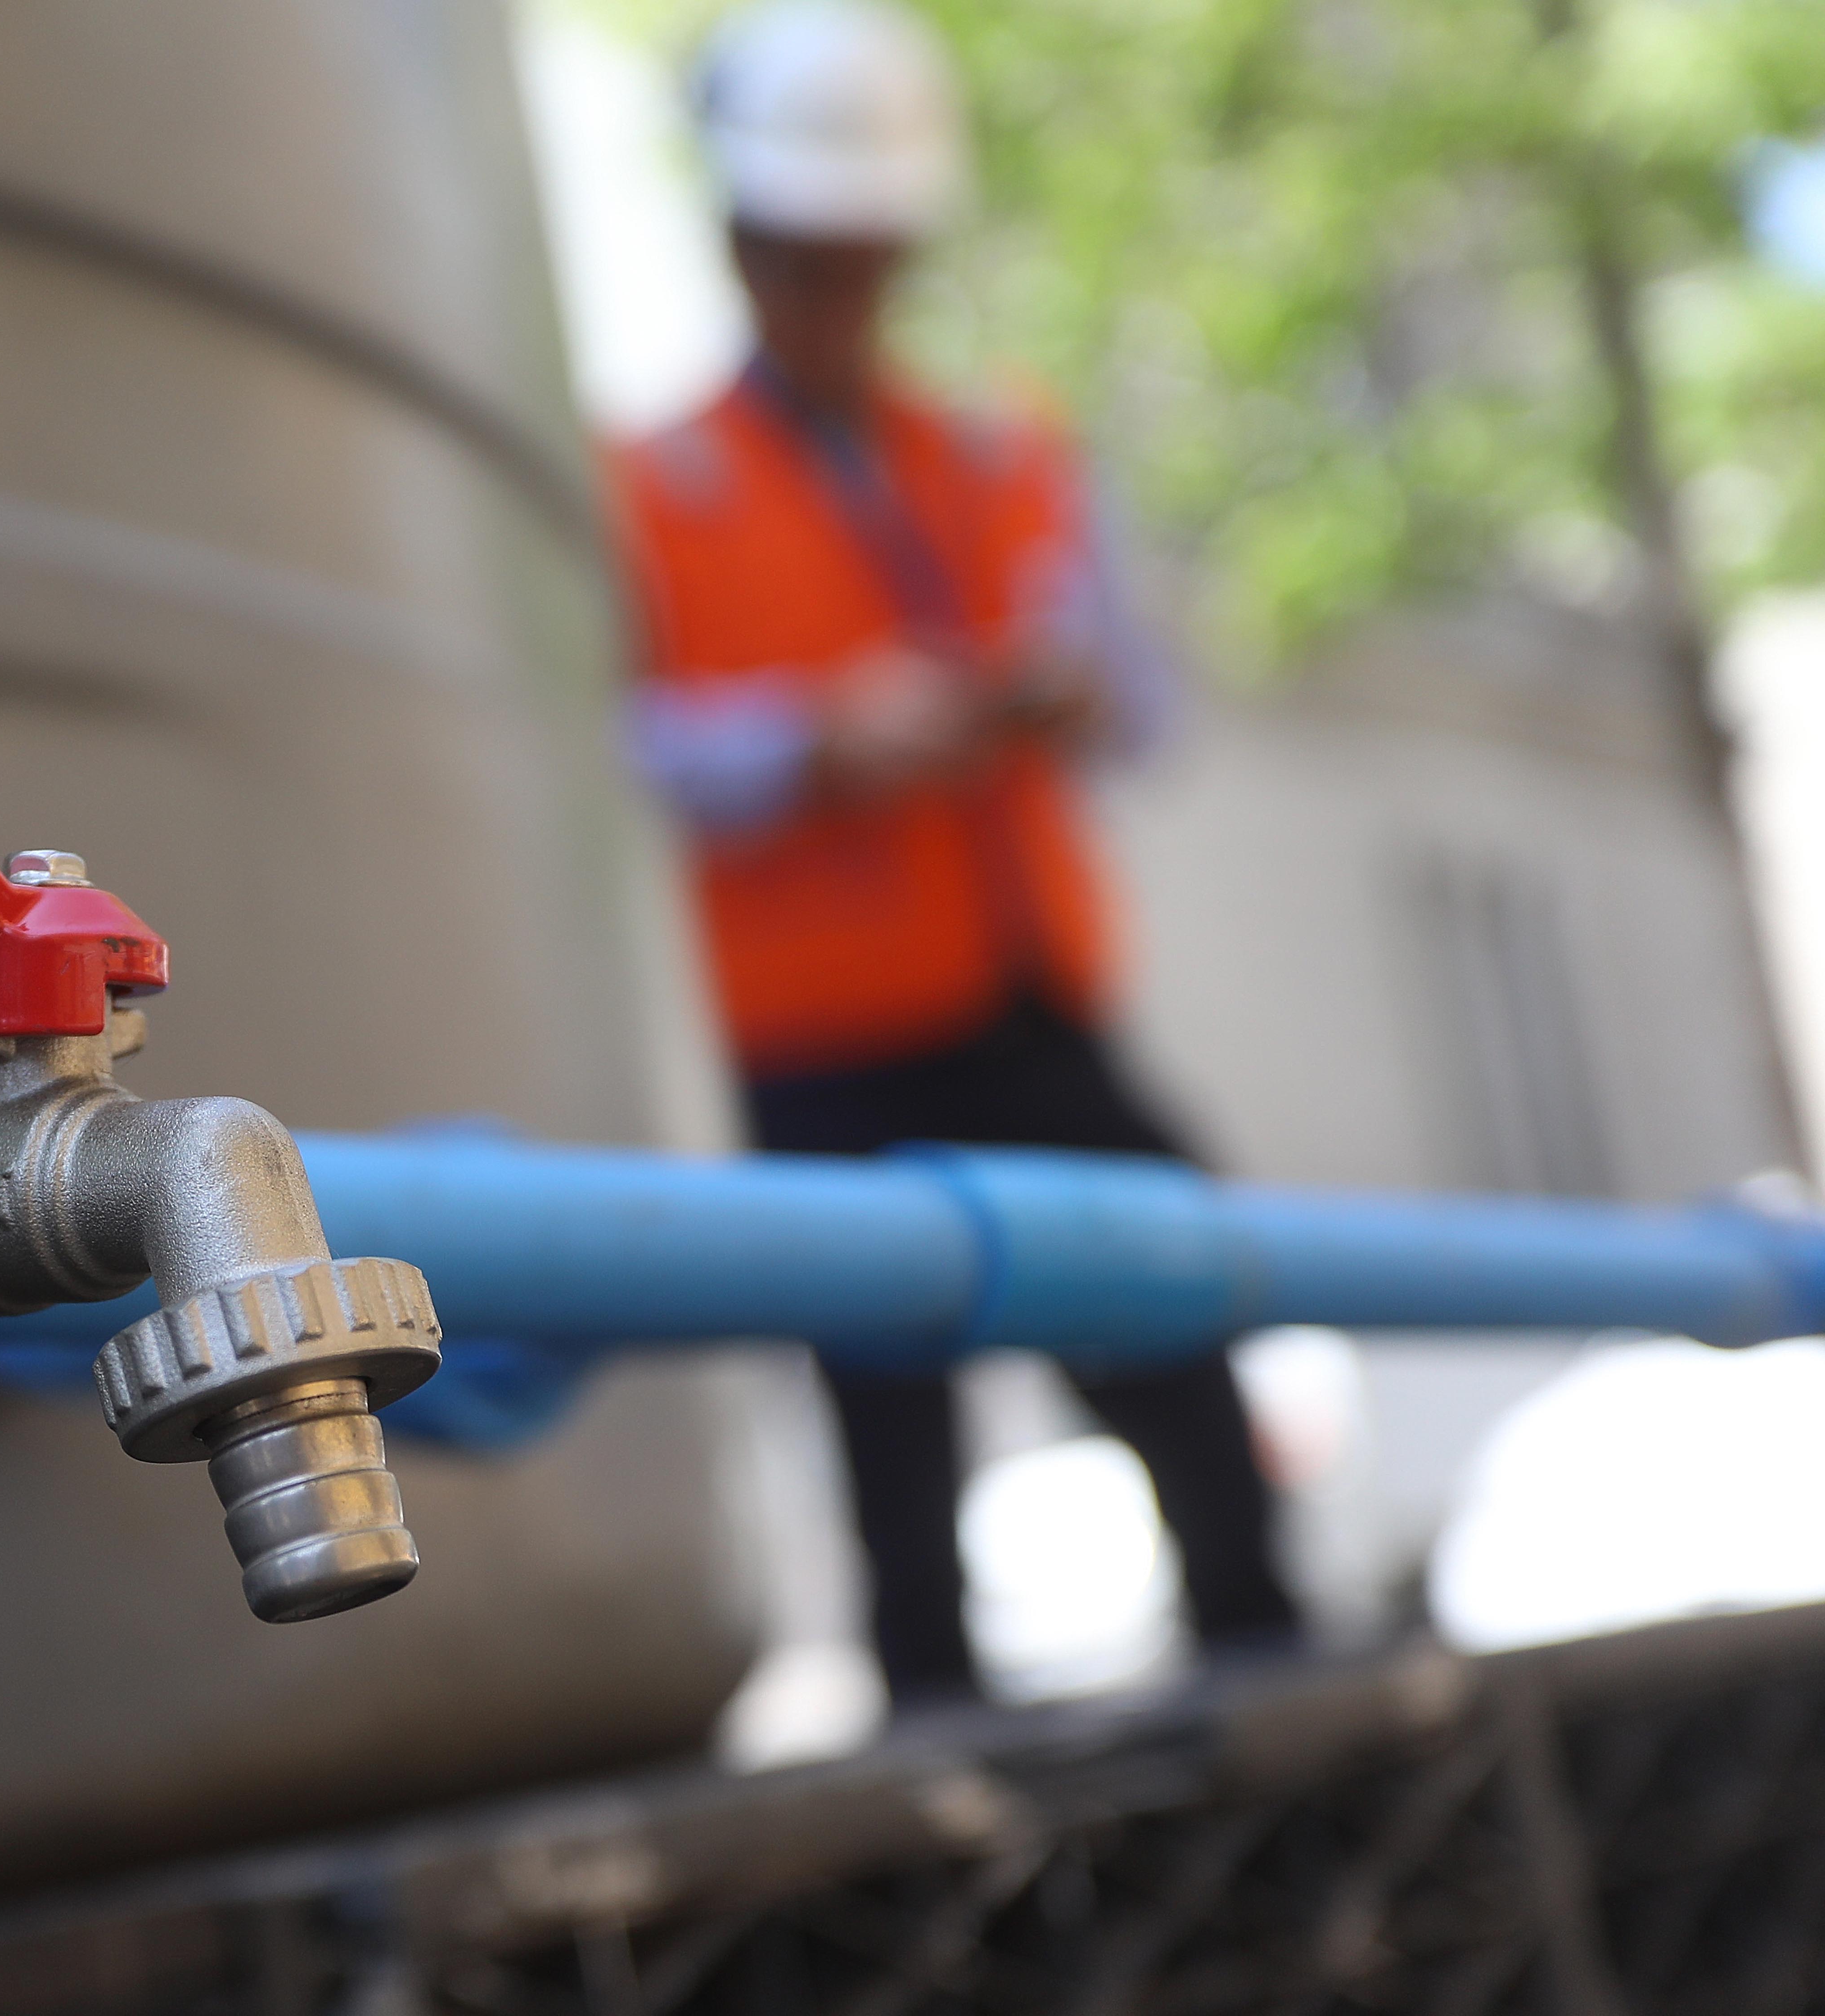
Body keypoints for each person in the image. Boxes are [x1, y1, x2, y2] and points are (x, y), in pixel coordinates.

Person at [613, 0, 1299, 1702]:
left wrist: (1057, 696)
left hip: (1021, 1014)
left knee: (1186, 1358)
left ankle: (1273, 1702)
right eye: (805, 254)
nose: (839, 290)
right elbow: (627, 748)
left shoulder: (1000, 453)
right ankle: (938, 1774)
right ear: (742, 243)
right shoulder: (652, 484)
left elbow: (1146, 704)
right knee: (893, 1473)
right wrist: (816, 741)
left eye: (864, 255)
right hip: (818, 1057)